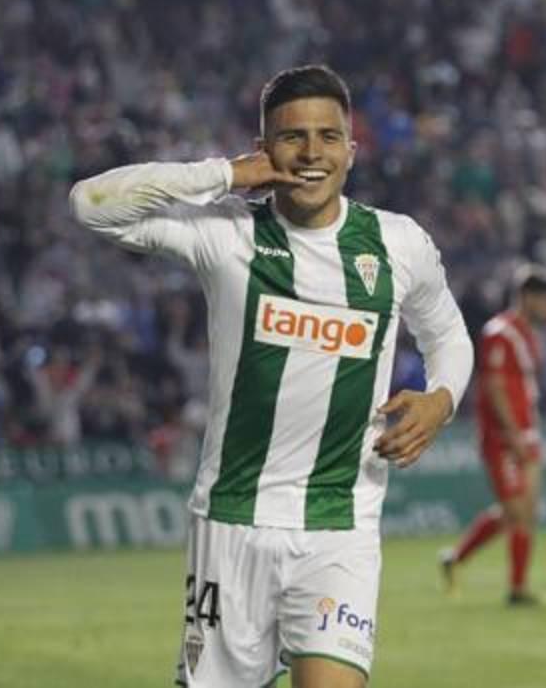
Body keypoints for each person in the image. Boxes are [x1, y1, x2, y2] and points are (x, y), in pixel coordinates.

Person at [70, 65, 473, 688]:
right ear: (265, 149)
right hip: (232, 521)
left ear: (352, 150)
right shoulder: (227, 236)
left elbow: (447, 333)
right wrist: (226, 175)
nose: (312, 152)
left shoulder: (397, 244)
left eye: (328, 136)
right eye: (292, 137)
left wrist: (441, 401)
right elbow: (92, 206)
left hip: (341, 525)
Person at [440, 265, 546, 605]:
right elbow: (493, 386)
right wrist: (513, 434)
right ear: (526, 297)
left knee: (521, 513)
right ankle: (518, 589)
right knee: (518, 512)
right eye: (544, 299)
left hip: (527, 432)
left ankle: (457, 558)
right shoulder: (500, 333)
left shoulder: (526, 333)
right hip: (505, 438)